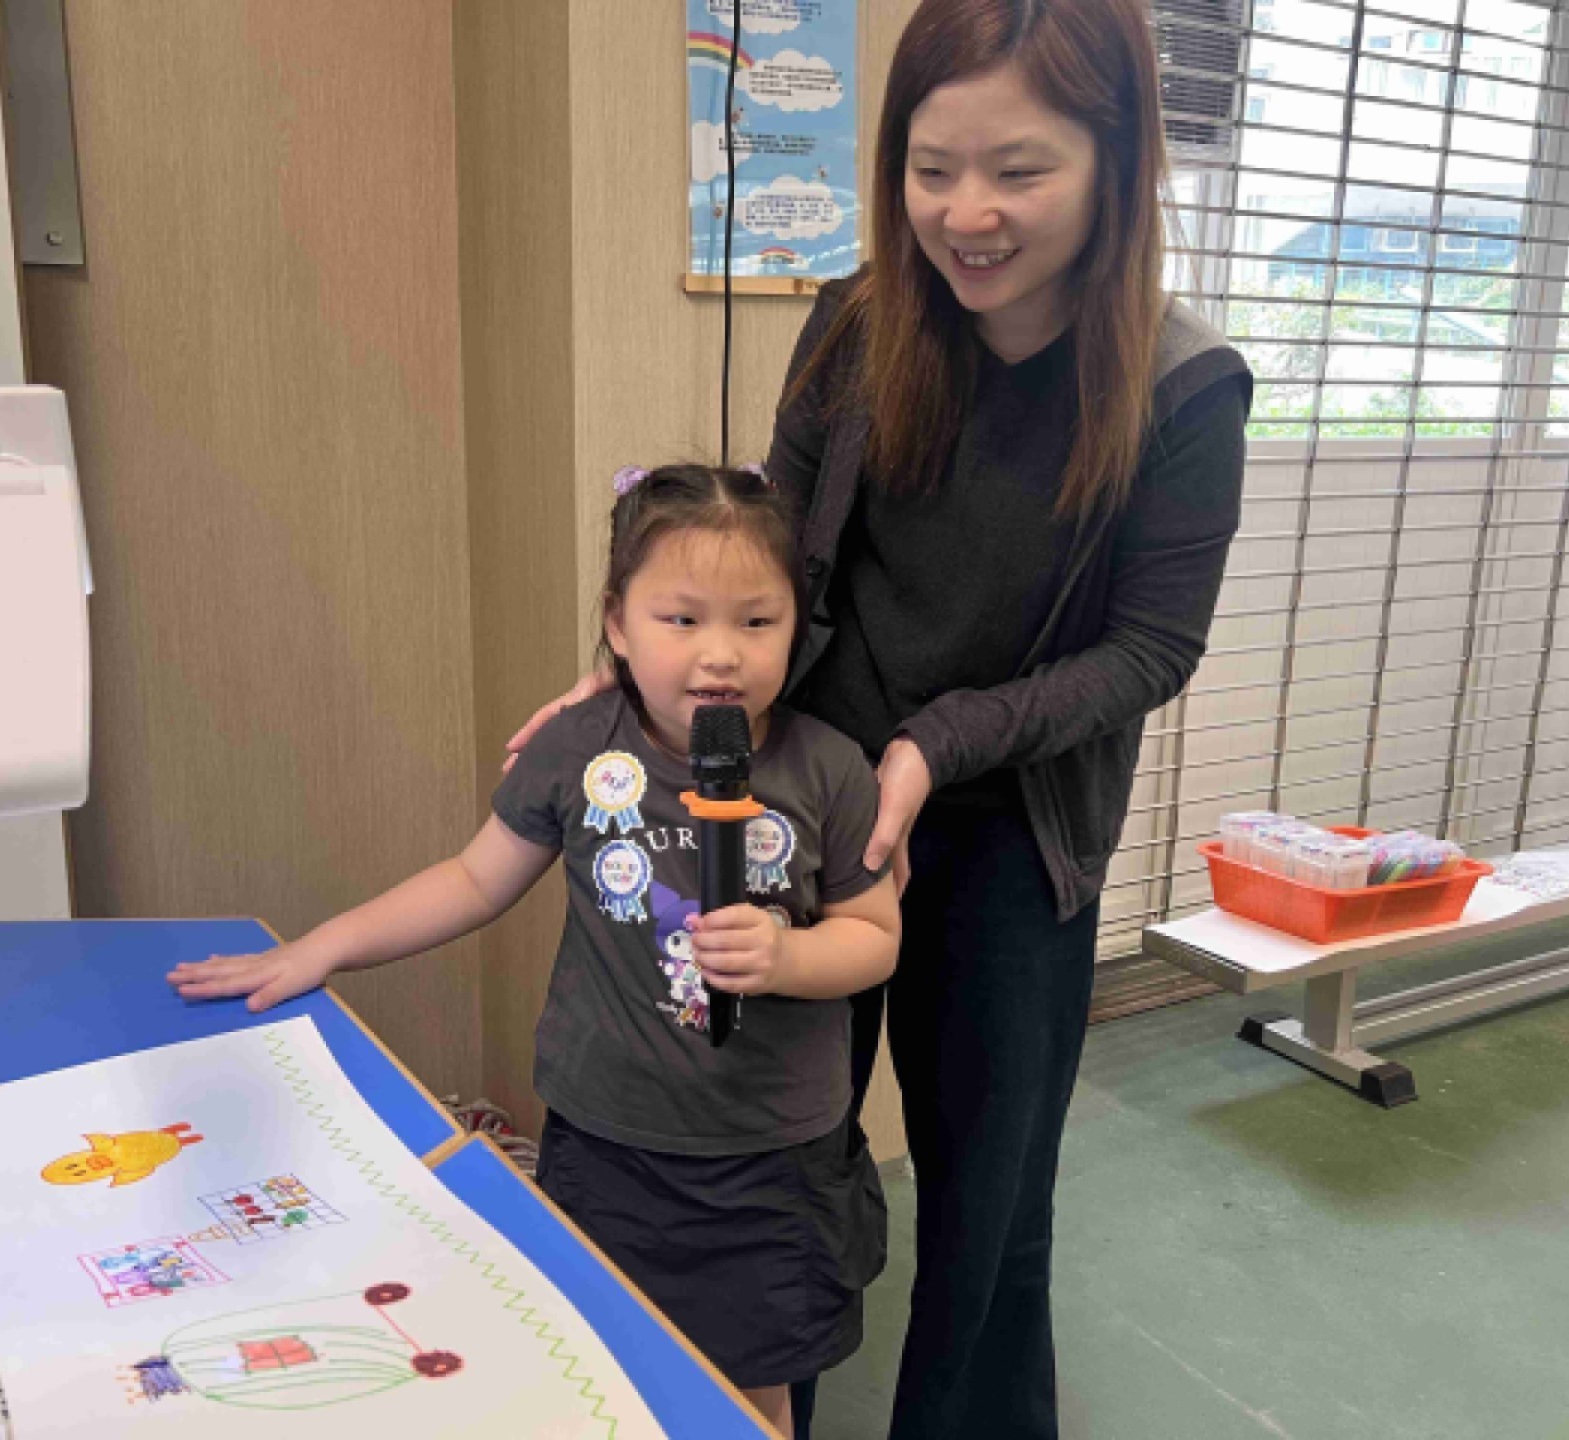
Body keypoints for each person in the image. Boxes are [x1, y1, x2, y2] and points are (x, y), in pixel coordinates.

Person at [508, 0, 1251, 1433]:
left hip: (1014, 832)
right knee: (770, 1145)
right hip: (807, 800)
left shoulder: (1182, 387)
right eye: (930, 167)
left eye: (1019, 171)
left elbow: (1151, 649)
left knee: (991, 1203)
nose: (967, 214)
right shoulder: (859, 321)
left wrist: (936, 744)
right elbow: (766, 555)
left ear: (1116, 161)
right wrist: (638, 673)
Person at [171, 463, 900, 1437]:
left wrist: (788, 958)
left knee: (750, 1397)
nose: (720, 654)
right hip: (607, 1145)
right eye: (682, 619)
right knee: (607, 1362)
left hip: (772, 1161)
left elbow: (874, 936)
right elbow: (474, 880)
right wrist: (323, 948)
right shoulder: (578, 749)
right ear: (617, 623)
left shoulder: (830, 768)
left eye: (757, 621)